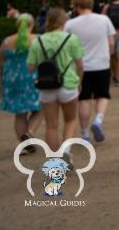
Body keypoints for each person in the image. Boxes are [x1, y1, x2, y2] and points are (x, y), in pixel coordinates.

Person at [27, 8, 85, 152]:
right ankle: (66, 150)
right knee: (70, 120)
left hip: (46, 86)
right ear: (64, 21)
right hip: (68, 84)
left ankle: (56, 163)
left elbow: (30, 68)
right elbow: (80, 65)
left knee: (51, 126)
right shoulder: (71, 38)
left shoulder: (37, 41)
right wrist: (80, 82)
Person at [65, 0, 115, 143]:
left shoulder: (71, 24)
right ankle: (98, 120)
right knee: (103, 95)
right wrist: (108, 55)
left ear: (78, 7)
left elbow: (67, 46)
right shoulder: (104, 20)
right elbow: (111, 42)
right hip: (102, 64)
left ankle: (85, 133)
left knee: (84, 99)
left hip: (81, 67)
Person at [0, 14, 43, 151]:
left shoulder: (7, 41)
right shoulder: (37, 39)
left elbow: (1, 60)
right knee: (40, 107)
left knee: (20, 113)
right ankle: (29, 133)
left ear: (17, 25)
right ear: (32, 24)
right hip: (33, 77)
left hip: (12, 80)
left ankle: (24, 146)